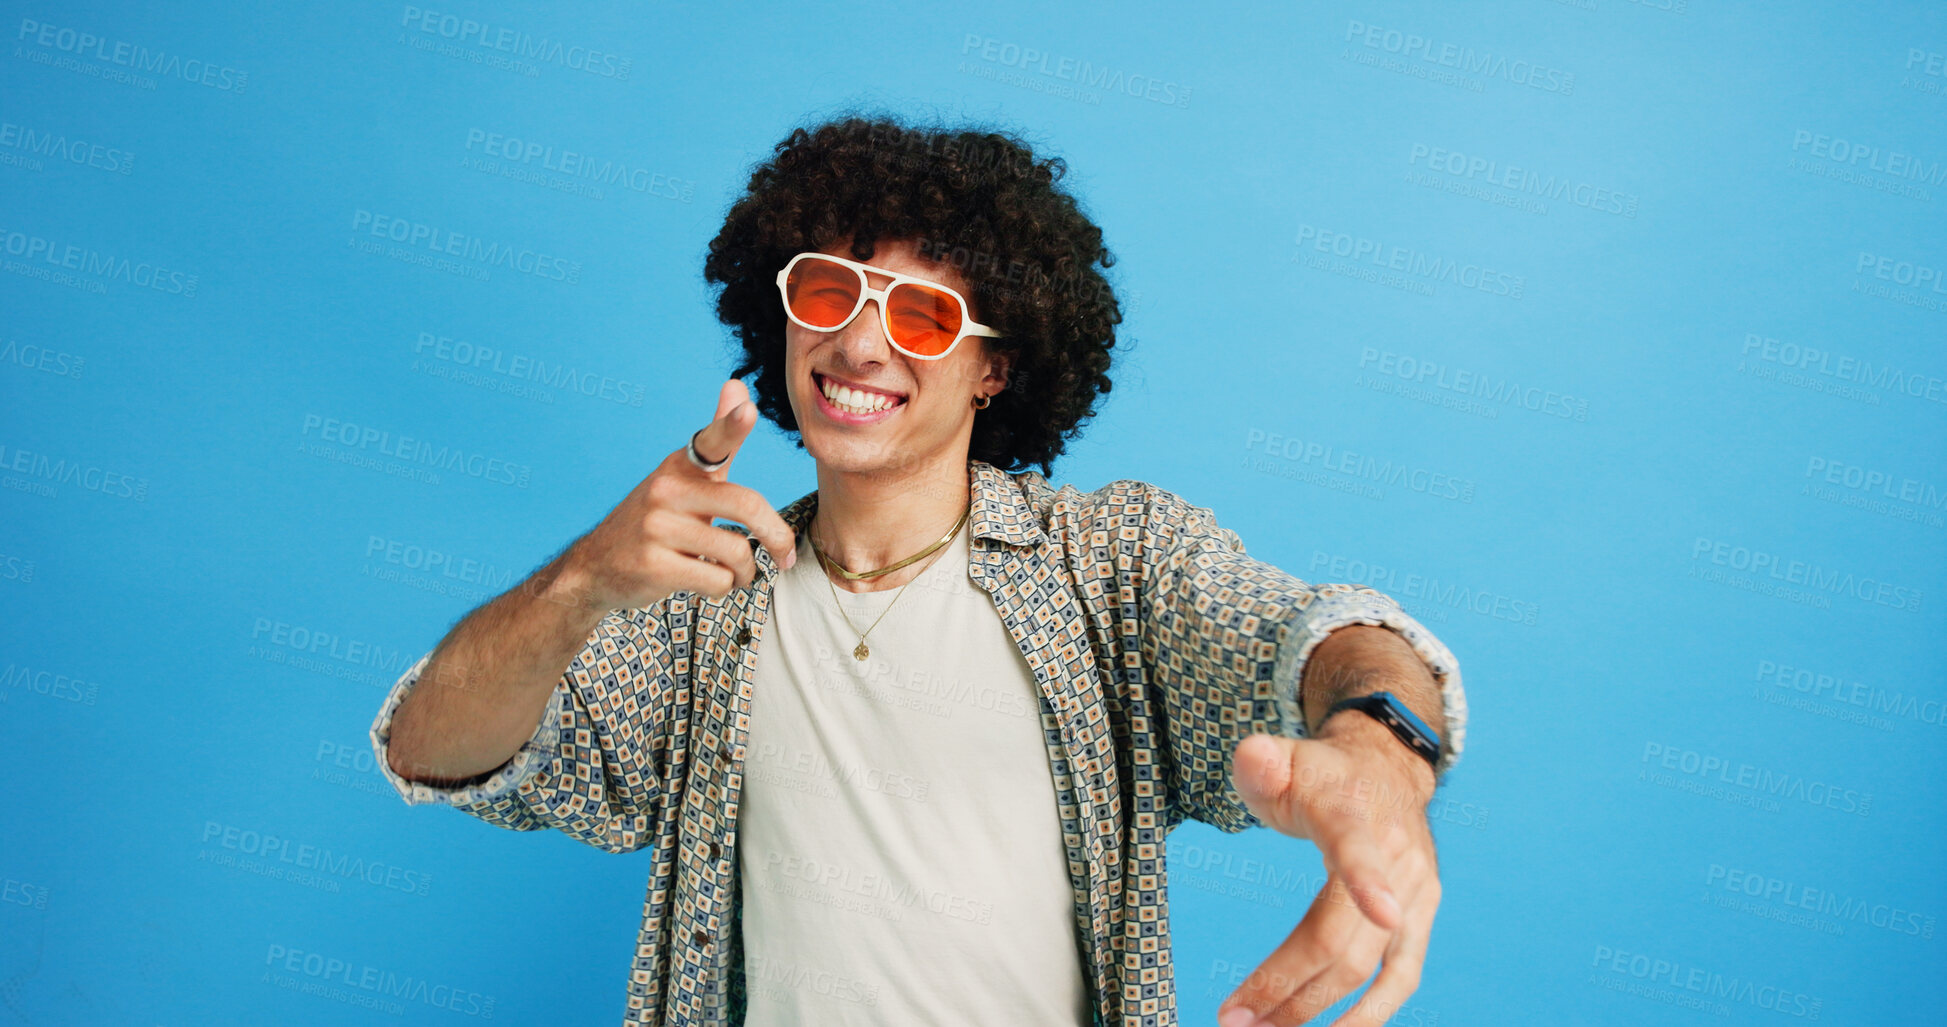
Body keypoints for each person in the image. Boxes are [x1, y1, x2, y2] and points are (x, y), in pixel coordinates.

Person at [371, 115, 1468, 1027]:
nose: (859, 344)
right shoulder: (701, 606)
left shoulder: (1112, 568)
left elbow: (1317, 633)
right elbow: (430, 749)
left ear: (994, 365)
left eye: (923, 313)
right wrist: (584, 584)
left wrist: (1380, 752)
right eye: (829, 293)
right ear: (778, 312)